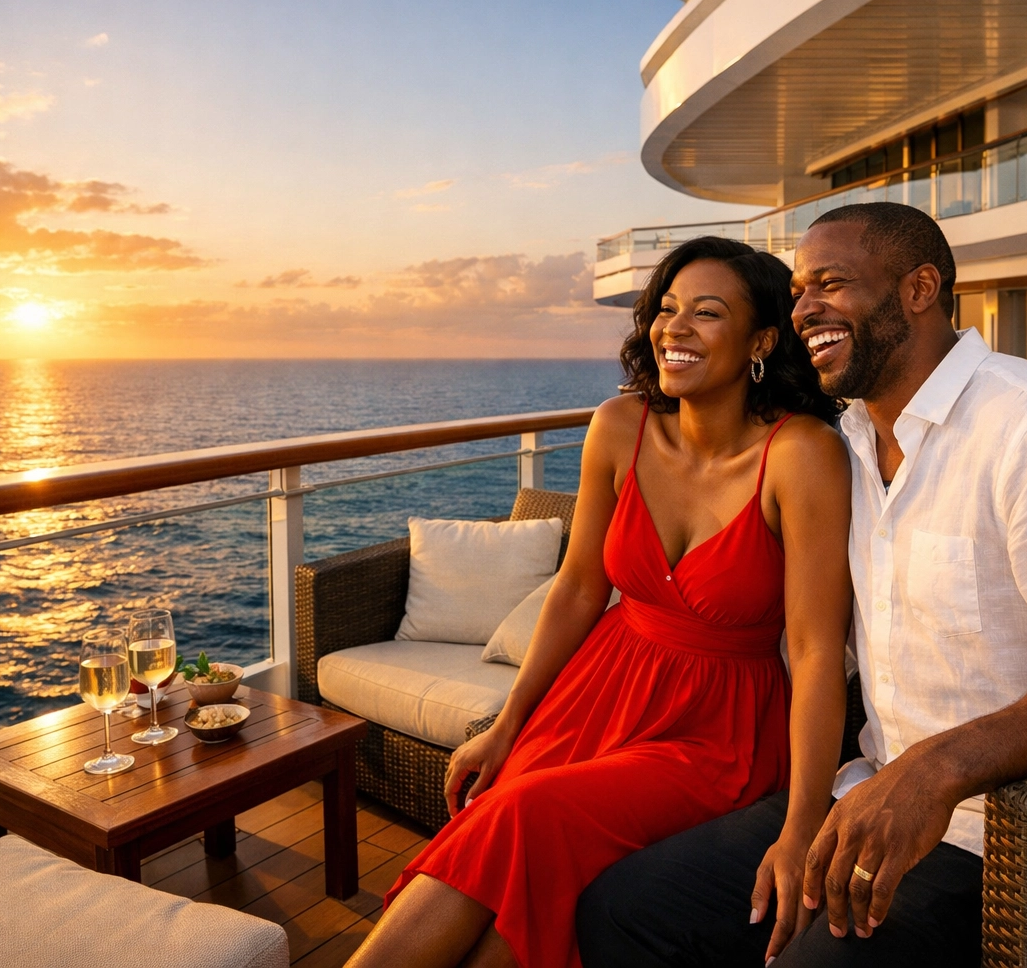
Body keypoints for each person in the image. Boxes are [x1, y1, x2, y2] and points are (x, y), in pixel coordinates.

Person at [575, 202, 1027, 967]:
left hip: (1003, 840)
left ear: (919, 290)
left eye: (831, 283)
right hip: (861, 798)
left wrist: (938, 766)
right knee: (621, 910)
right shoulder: (847, 446)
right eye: (798, 291)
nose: (803, 309)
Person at [344, 237, 854, 968]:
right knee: (512, 871)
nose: (675, 328)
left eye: (707, 313)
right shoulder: (619, 426)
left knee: (522, 815)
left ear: (762, 341)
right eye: (667, 309)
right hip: (598, 690)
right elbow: (580, 588)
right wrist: (507, 724)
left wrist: (801, 824)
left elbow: (813, 649)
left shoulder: (802, 453)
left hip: (719, 730)